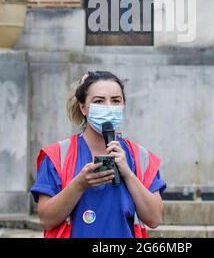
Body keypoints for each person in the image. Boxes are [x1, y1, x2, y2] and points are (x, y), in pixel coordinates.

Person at [31, 70, 166, 238]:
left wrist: (128, 174)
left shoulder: (141, 157)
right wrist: (79, 184)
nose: (109, 107)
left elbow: (155, 219)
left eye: (116, 101)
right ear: (83, 108)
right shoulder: (57, 155)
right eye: (99, 101)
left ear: (123, 105)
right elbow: (46, 219)